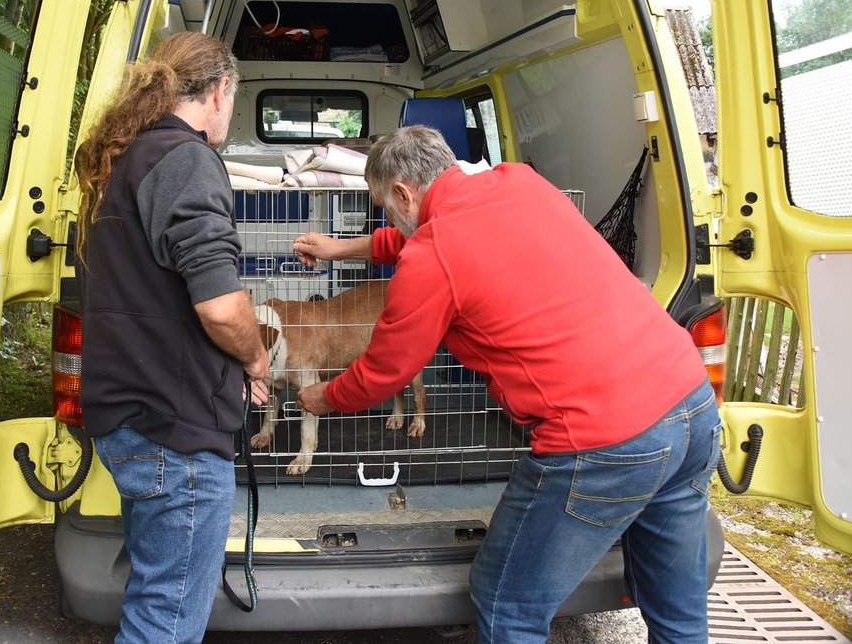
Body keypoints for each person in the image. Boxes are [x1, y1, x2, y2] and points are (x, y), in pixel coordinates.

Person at [293, 125, 720, 643]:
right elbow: (423, 230)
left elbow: (386, 370)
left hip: (603, 442)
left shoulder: (431, 256)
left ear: (403, 193)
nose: (389, 219)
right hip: (690, 404)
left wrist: (321, 395)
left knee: (507, 600)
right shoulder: (520, 182)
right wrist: (342, 250)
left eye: (385, 206)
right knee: (677, 610)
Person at [75, 31, 269, 644]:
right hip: (174, 433)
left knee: (153, 595)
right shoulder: (186, 159)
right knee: (166, 622)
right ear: (218, 92)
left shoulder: (124, 157)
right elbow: (218, 304)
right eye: (231, 101)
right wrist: (256, 357)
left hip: (128, 417)